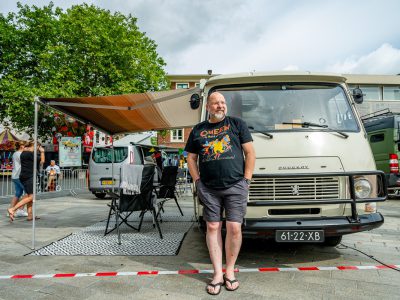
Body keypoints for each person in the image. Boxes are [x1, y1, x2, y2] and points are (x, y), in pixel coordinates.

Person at [185, 91, 255, 295]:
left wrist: (246, 180)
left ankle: (230, 271)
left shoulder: (237, 124)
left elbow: (250, 153)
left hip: (236, 185)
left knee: (234, 227)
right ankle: (217, 273)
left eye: (223, 102)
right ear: (208, 107)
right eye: (216, 103)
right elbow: (190, 158)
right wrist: (197, 181)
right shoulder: (198, 130)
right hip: (208, 187)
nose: (220, 106)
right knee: (213, 226)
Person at [7, 141, 45, 221]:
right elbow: (42, 161)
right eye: (38, 147)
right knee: (31, 197)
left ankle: (30, 215)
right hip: (29, 176)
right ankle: (13, 209)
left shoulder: (24, 153)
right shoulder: (30, 154)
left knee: (28, 196)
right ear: (36, 146)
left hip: (24, 176)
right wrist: (42, 152)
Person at [8, 141, 28, 218]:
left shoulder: (15, 153)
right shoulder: (20, 154)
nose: (26, 147)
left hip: (15, 175)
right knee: (28, 193)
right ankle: (20, 210)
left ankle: (10, 210)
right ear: (21, 146)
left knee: (18, 193)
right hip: (20, 176)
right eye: (25, 146)